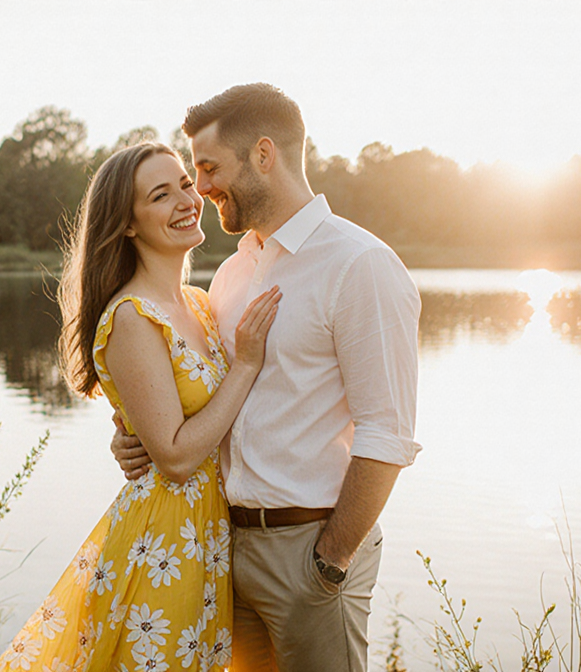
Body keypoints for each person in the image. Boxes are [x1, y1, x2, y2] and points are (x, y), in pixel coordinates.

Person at [111, 83, 422, 672]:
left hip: (309, 552)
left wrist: (328, 563)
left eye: (207, 168)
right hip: (223, 548)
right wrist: (138, 437)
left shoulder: (360, 265)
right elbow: (205, 396)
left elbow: (387, 435)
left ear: (262, 154)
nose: (199, 188)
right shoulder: (229, 274)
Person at [0, 141, 282, 672]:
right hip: (163, 545)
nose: (186, 201)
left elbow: (172, 417)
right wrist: (246, 366)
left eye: (187, 185)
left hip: (208, 540)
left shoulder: (196, 303)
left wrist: (132, 434)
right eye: (160, 195)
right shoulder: (132, 316)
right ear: (127, 224)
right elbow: (172, 458)